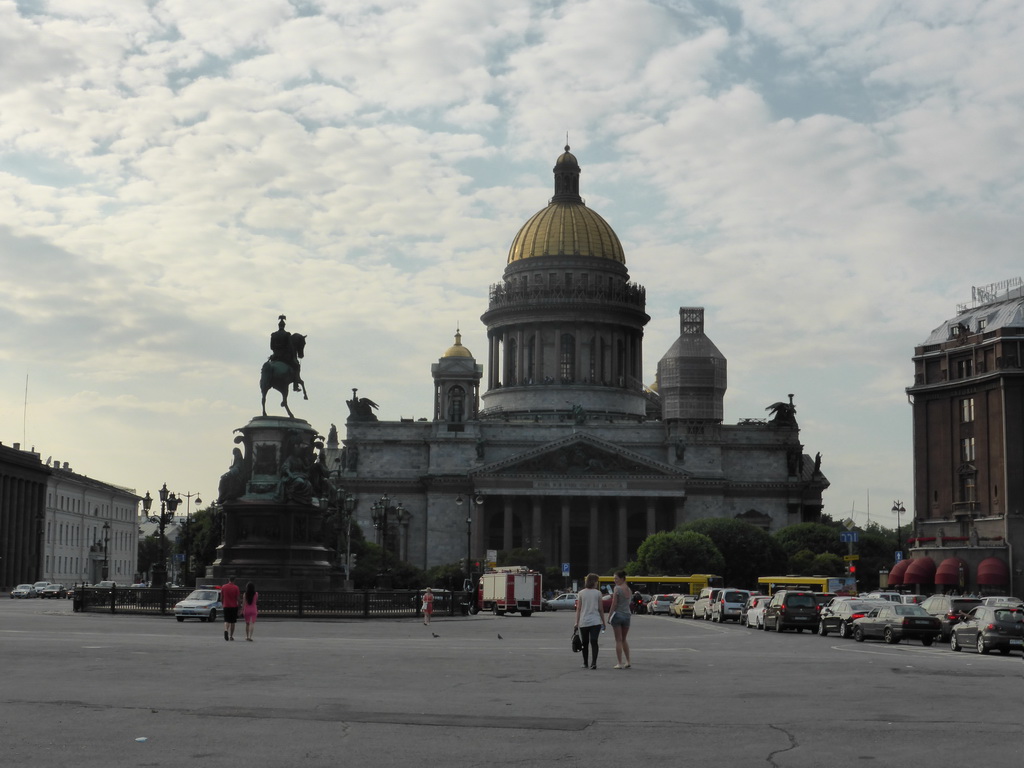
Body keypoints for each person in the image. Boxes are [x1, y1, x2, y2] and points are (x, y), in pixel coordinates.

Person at [573, 573, 606, 670]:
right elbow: (601, 609)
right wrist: (603, 621)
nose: (597, 583)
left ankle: (585, 662)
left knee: (585, 642)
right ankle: (594, 663)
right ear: (593, 582)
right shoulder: (598, 593)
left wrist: (576, 622)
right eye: (596, 581)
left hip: (584, 621)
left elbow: (578, 609)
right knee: (594, 641)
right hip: (595, 621)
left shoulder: (581, 593)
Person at [608, 570, 632, 669]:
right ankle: (628, 661)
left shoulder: (617, 588)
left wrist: (609, 615)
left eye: (616, 578)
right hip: (627, 615)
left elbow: (614, 603)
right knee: (624, 639)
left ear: (622, 579)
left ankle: (619, 663)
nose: (614, 580)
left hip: (618, 615)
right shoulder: (629, 589)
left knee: (618, 640)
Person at [221, 576, 240, 641]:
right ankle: (231, 636)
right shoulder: (236, 587)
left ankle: (226, 630)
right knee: (233, 622)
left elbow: (221, 597)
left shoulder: (223, 587)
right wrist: (239, 605)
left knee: (226, 620)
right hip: (234, 606)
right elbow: (238, 598)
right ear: (234, 580)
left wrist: (223, 603)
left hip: (226, 605)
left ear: (228, 579)